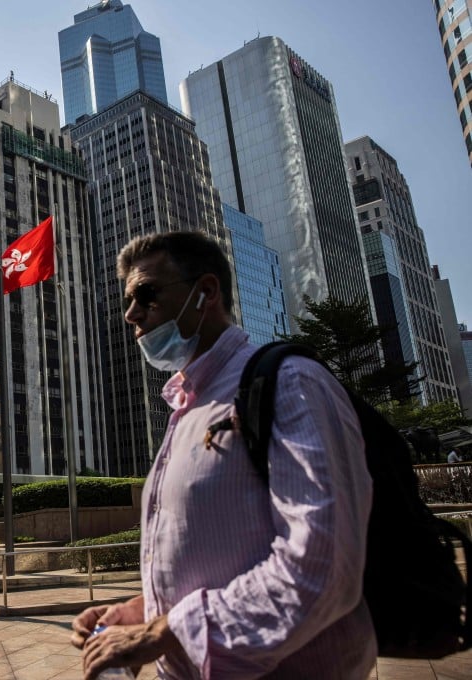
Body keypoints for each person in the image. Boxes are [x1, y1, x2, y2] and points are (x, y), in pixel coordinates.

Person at [71, 232, 375, 679]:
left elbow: (322, 566)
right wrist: (140, 613)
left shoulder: (290, 384)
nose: (131, 314)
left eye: (146, 294)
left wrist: (164, 633)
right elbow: (220, 558)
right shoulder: (187, 405)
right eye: (128, 299)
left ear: (206, 292)